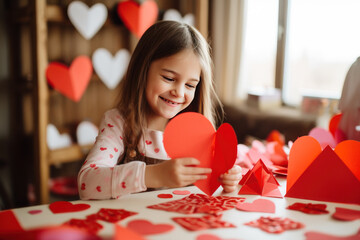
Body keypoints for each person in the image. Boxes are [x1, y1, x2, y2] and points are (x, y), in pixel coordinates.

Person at [78, 21, 242, 200]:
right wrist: (154, 175)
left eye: (190, 85)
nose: (179, 92)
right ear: (142, 70)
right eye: (169, 78)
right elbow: (87, 183)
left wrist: (228, 179)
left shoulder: (197, 132)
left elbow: (208, 188)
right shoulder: (118, 123)